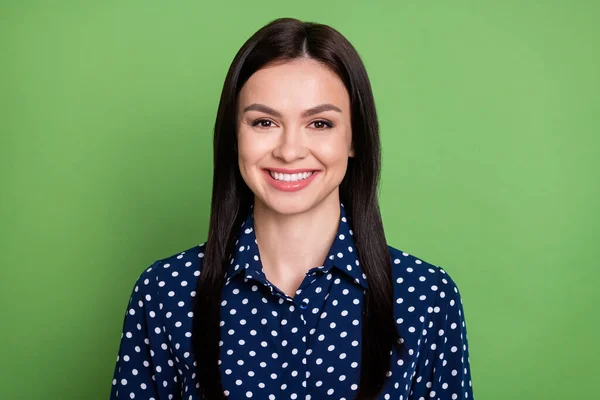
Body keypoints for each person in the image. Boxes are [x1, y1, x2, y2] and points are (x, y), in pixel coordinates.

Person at [109, 17, 474, 400]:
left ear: (355, 138)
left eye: (319, 123)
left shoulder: (426, 297)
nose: (289, 151)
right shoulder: (165, 292)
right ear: (234, 136)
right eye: (264, 122)